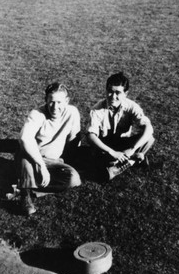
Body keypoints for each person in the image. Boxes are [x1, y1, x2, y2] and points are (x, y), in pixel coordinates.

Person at [16, 82, 81, 215]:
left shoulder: (72, 113)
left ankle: (27, 185)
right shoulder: (37, 114)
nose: (55, 107)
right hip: (32, 158)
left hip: (54, 160)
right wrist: (40, 165)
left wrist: (69, 159)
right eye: (51, 102)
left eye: (59, 102)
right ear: (46, 100)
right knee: (24, 154)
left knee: (74, 179)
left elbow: (74, 138)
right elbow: (24, 138)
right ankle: (25, 195)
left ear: (67, 101)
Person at [87, 72, 154, 180]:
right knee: (96, 156)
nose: (113, 96)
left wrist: (132, 149)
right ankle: (134, 160)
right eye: (110, 91)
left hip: (124, 147)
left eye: (118, 93)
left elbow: (149, 128)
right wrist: (112, 152)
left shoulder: (131, 106)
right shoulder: (97, 109)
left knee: (149, 139)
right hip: (106, 147)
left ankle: (118, 167)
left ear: (125, 94)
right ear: (106, 90)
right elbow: (91, 136)